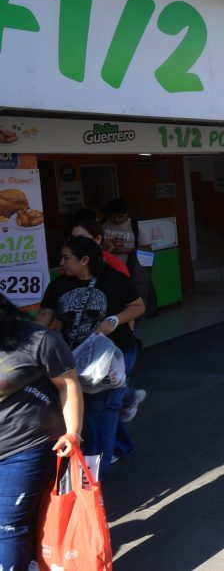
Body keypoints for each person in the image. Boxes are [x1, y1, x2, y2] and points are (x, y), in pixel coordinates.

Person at [36, 237, 145, 477]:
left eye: (67, 258)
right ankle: (122, 438)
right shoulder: (59, 285)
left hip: (114, 355)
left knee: (99, 410)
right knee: (98, 406)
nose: (62, 263)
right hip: (74, 356)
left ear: (84, 260)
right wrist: (27, 342)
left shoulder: (114, 280)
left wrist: (114, 320)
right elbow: (46, 315)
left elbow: (138, 306)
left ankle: (94, 473)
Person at [0, 295, 82, 570]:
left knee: (7, 524)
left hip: (25, 445)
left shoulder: (38, 340)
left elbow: (68, 384)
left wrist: (73, 433)